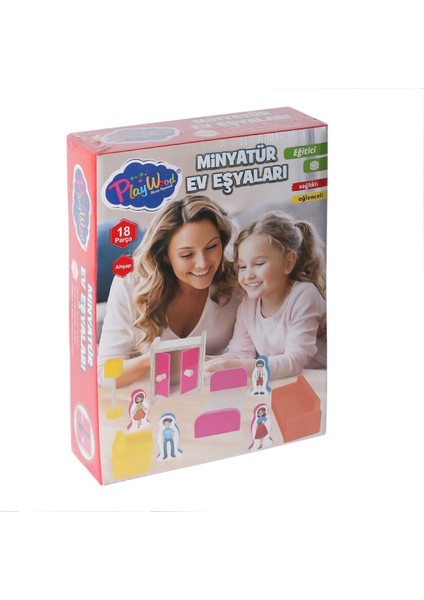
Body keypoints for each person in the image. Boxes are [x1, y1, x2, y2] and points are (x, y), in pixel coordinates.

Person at [98, 195, 240, 388]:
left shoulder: (236, 277)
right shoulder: (130, 281)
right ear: (165, 255)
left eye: (212, 247)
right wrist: (152, 359)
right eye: (187, 255)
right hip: (148, 398)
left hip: (211, 392)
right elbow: (105, 373)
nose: (202, 263)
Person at [205, 211, 326, 379]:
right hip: (287, 381)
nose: (248, 275)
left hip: (319, 380)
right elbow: (240, 354)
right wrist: (212, 361)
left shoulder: (304, 295)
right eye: (242, 266)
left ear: (288, 262)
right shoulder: (248, 306)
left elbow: (296, 361)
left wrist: (234, 366)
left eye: (259, 263)